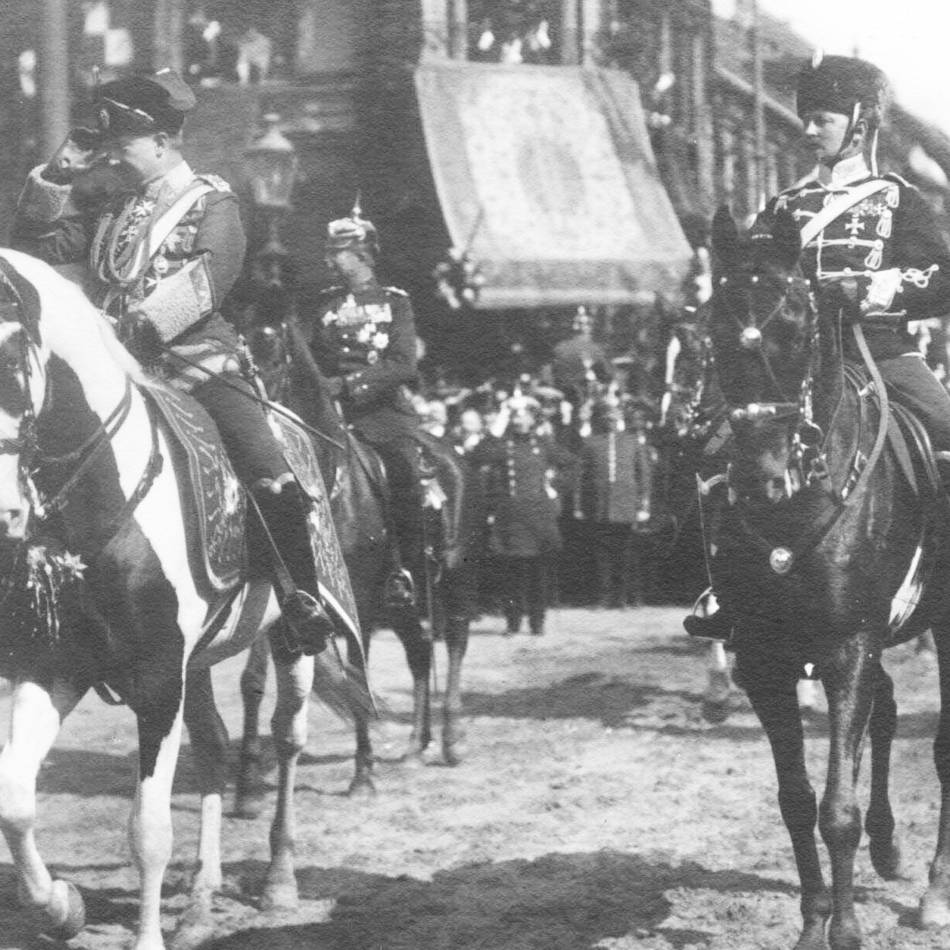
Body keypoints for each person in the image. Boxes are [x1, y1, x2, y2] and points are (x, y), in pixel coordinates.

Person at [12, 68, 335, 656]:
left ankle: (300, 597)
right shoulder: (112, 206)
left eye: (124, 146)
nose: (114, 157)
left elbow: (203, 284)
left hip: (195, 366)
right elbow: (31, 250)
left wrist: (119, 338)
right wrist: (56, 176)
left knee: (266, 466)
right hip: (118, 374)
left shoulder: (213, 202)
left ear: (161, 142)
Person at [685, 52, 950, 640]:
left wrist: (872, 287)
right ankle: (724, 587)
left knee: (949, 432)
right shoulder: (784, 207)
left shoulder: (897, 200)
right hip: (792, 368)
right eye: (806, 117)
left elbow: (944, 279)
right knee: (713, 448)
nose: (808, 129)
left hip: (879, 354)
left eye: (823, 118)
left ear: (859, 123)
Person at [309, 206, 467, 605]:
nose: (329, 260)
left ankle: (403, 569)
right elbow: (311, 358)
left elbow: (402, 364)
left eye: (337, 253)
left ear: (362, 256)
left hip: (380, 415)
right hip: (328, 414)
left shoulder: (395, 303)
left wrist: (347, 384)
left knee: (402, 475)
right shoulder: (325, 305)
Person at [471, 389, 576, 636]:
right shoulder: (502, 446)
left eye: (523, 416)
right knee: (511, 576)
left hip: (539, 517)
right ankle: (513, 623)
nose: (518, 421)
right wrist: (499, 421)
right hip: (511, 518)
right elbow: (477, 457)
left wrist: (555, 486)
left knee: (538, 574)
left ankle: (537, 623)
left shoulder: (543, 445)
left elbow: (572, 464)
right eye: (514, 416)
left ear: (534, 419)